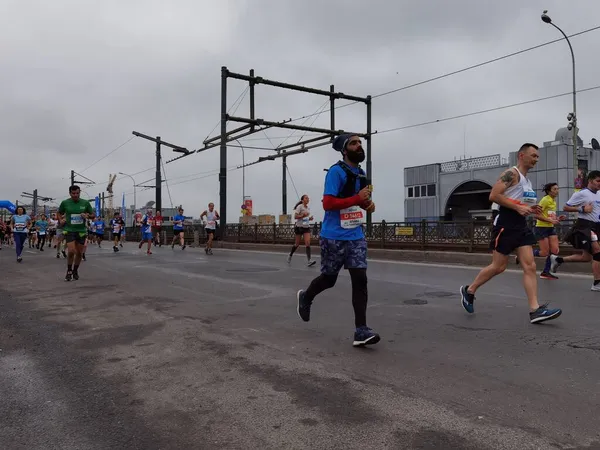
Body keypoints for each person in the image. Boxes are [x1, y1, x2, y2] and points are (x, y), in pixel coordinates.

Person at [460, 143, 562, 324]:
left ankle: (535, 310)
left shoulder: (528, 181)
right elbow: (493, 195)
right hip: (505, 224)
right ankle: (470, 290)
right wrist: (518, 207)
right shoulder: (511, 174)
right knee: (498, 267)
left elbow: (520, 203)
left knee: (530, 266)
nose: (536, 159)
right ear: (521, 155)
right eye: (533, 155)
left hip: (521, 225)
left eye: (538, 156)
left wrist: (531, 209)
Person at [296, 133, 380, 347]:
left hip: (355, 235)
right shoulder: (335, 172)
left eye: (360, 143)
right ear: (345, 150)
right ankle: (306, 296)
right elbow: (328, 203)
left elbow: (359, 201)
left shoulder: (361, 173)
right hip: (333, 235)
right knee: (329, 279)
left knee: (360, 279)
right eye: (354, 143)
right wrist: (357, 199)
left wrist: (367, 205)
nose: (359, 146)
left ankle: (361, 331)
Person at [549, 171, 600, 291]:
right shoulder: (582, 194)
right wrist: (582, 209)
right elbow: (565, 207)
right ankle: (597, 283)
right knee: (597, 251)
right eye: (598, 181)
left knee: (586, 257)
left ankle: (557, 259)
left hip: (596, 226)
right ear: (590, 180)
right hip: (585, 226)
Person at [57, 185, 95, 281]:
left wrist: (86, 215)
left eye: (77, 193)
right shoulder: (65, 203)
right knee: (71, 251)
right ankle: (69, 270)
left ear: (79, 193)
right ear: (70, 193)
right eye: (73, 193)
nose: (75, 195)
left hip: (81, 231)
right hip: (70, 230)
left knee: (79, 253)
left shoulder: (85, 203)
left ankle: (75, 270)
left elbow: (93, 215)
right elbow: (59, 212)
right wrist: (61, 220)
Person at [532, 183, 566, 279]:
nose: (557, 191)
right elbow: (536, 215)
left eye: (557, 189)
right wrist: (551, 220)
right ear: (549, 191)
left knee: (555, 250)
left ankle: (545, 272)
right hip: (541, 228)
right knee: (544, 253)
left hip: (550, 228)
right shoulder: (545, 200)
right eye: (555, 189)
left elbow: (549, 216)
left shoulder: (553, 201)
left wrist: (558, 218)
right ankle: (524, 254)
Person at [287, 194, 316, 266]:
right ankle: (290, 255)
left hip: (306, 227)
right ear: (302, 200)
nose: (308, 199)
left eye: (308, 198)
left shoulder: (308, 208)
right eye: (306, 198)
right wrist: (302, 215)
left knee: (308, 243)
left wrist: (309, 218)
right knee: (297, 244)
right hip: (299, 227)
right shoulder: (299, 207)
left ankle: (309, 260)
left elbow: (304, 220)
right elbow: (295, 216)